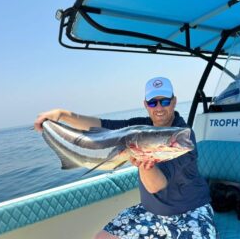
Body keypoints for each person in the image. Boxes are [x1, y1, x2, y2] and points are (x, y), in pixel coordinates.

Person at [34, 77, 217, 238]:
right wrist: (61, 115)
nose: (159, 108)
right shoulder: (138, 127)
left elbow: (156, 185)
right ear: (146, 105)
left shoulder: (181, 136)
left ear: (174, 101)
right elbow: (100, 125)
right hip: (150, 212)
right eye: (153, 103)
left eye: (165, 101)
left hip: (190, 212)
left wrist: (145, 164)